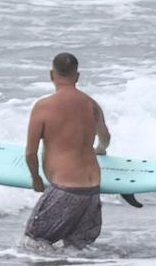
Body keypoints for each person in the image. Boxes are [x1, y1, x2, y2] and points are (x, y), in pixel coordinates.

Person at [23, 53, 111, 249]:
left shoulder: (43, 107)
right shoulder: (91, 104)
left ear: (51, 75)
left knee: (32, 243)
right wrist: (100, 150)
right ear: (77, 76)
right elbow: (105, 137)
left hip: (66, 190)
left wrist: (36, 178)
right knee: (78, 249)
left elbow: (30, 153)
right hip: (92, 191)